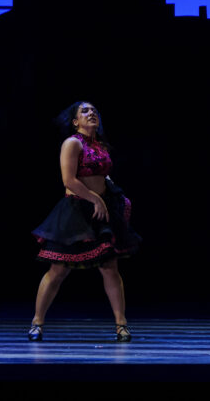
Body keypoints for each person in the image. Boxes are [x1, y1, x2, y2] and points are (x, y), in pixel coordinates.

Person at [28, 102, 139, 343]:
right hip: (76, 210)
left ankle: (121, 325)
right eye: (85, 111)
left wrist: (115, 198)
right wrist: (95, 198)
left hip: (100, 210)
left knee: (109, 267)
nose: (92, 113)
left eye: (94, 111)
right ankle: (37, 322)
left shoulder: (100, 146)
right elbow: (68, 180)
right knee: (58, 270)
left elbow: (103, 176)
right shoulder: (72, 143)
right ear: (75, 121)